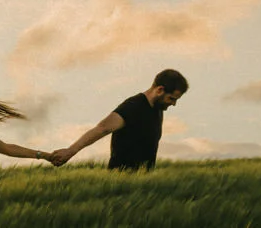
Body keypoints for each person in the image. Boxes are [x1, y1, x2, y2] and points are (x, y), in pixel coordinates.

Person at [49, 69, 189, 170]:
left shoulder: (157, 109)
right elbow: (102, 128)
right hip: (122, 181)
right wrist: (70, 151)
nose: (173, 104)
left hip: (143, 184)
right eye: (171, 98)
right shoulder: (133, 106)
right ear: (159, 90)